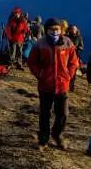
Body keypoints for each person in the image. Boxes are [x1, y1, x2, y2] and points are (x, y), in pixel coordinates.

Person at [28, 18, 79, 150]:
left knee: (63, 114)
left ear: (61, 29)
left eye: (57, 29)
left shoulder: (67, 43)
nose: (55, 31)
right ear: (46, 30)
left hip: (62, 85)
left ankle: (57, 135)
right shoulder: (40, 44)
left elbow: (74, 62)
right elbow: (32, 62)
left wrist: (69, 75)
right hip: (45, 86)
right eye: (52, 29)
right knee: (45, 113)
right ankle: (43, 139)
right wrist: (40, 75)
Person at [66, 25, 84, 92]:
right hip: (66, 57)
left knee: (73, 73)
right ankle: (66, 86)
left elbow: (82, 47)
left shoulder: (79, 37)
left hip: (75, 57)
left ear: (76, 30)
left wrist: (76, 47)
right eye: (72, 29)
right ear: (69, 30)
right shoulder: (66, 37)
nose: (73, 30)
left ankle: (71, 87)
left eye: (74, 29)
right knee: (66, 71)